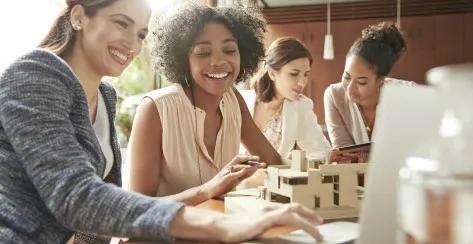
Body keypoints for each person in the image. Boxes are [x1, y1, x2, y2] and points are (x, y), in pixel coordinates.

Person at [0, 0, 323, 243]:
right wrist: (221, 224)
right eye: (121, 23)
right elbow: (75, 197)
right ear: (79, 16)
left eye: (140, 33)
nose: (132, 44)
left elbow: (99, 210)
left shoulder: (106, 97)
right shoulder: (34, 75)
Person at [127, 3, 283, 202]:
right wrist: (208, 190)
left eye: (229, 50)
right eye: (203, 53)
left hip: (218, 226)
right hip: (165, 232)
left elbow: (273, 161)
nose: (218, 61)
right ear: (185, 60)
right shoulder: (156, 108)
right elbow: (137, 207)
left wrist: (318, 167)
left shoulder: (233, 99)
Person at [241, 37, 331, 161]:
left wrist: (293, 163)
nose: (302, 82)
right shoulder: (242, 100)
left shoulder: (301, 107)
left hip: (271, 179)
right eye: (294, 74)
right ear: (272, 73)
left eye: (306, 75)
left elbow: (321, 151)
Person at [324, 22, 410, 150]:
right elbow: (343, 152)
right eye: (347, 77)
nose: (350, 88)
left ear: (381, 79)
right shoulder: (335, 96)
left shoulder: (405, 94)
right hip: (350, 170)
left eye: (361, 82)